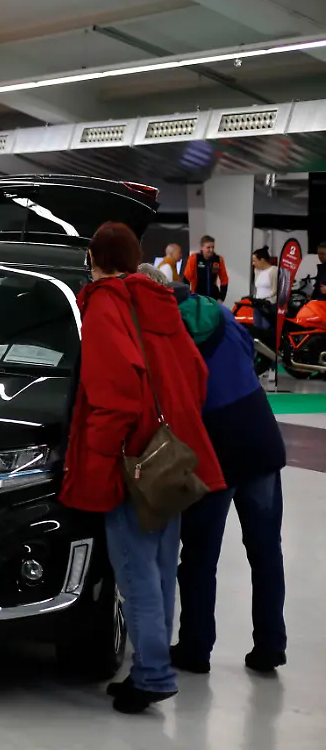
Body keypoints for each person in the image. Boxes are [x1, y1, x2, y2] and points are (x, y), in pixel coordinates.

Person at [61, 223, 225, 715]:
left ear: (95, 256)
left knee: (134, 576)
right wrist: (170, 430)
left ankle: (152, 675)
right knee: (158, 569)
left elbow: (115, 394)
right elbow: (196, 374)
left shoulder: (105, 303)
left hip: (131, 461)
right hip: (169, 456)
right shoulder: (160, 301)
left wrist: (100, 453)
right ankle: (148, 667)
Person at [136, 264, 288, 675]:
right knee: (265, 550)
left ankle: (195, 648)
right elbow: (248, 357)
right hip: (258, 436)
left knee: (201, 557)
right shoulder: (218, 311)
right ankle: (271, 645)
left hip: (212, 448)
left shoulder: (159, 332)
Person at [184, 235, 229, 302]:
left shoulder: (218, 259)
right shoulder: (194, 258)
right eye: (208, 247)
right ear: (202, 247)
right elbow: (186, 278)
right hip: (198, 297)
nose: (211, 250)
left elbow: (224, 279)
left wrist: (221, 298)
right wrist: (188, 297)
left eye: (213, 247)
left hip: (213, 298)